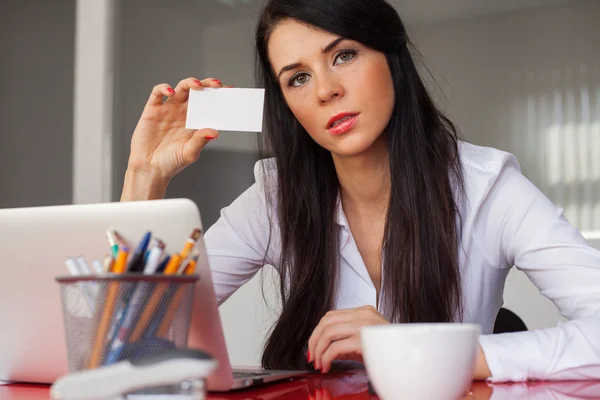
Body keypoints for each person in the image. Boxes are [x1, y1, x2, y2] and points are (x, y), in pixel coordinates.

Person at [120, 0, 600, 382]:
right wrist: (145, 176)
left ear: (392, 58)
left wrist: (416, 351)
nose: (325, 90)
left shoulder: (487, 188)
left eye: (344, 55)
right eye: (298, 78)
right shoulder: (274, 200)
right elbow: (131, 338)